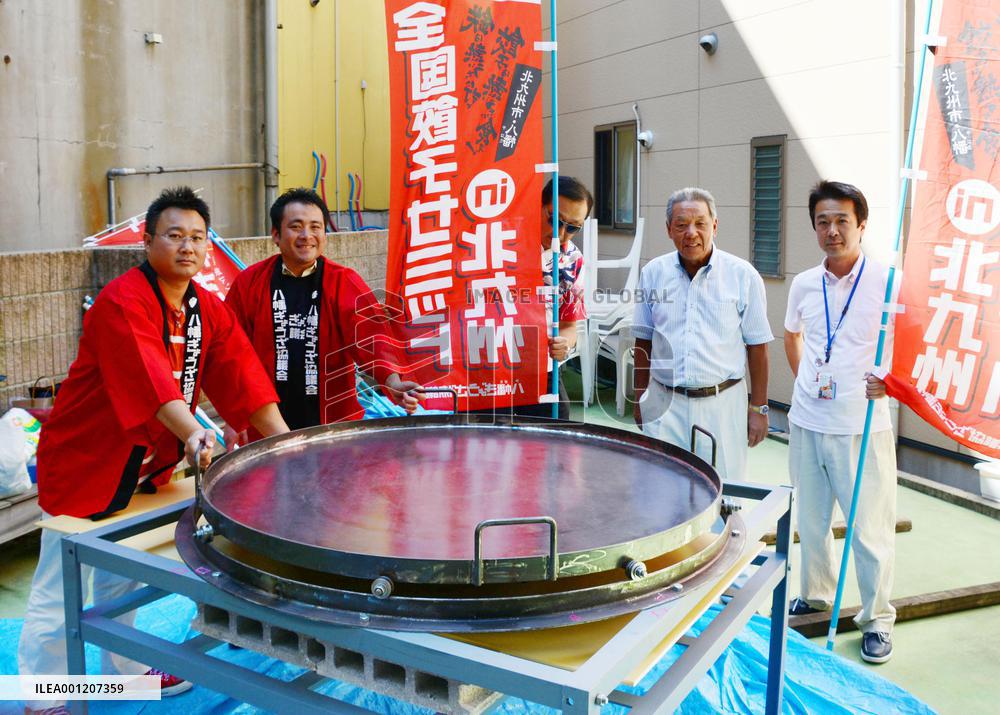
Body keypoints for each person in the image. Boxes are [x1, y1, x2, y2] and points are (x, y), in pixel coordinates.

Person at [19, 187, 289, 713]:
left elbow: (242, 376)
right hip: (88, 458)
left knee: (123, 564)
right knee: (62, 576)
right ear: (147, 242)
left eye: (197, 238)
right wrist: (193, 434)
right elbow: (152, 384)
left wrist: (285, 443)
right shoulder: (123, 300)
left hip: (146, 464)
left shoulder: (204, 307)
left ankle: (127, 672)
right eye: (174, 236)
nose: (187, 247)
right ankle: (42, 691)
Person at [783, 180, 897, 664]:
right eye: (823, 222)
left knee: (868, 529)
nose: (832, 230)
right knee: (811, 521)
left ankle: (877, 618)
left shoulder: (889, 280)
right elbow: (793, 335)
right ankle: (816, 594)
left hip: (862, 423)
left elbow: (908, 346)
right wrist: (807, 377)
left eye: (842, 221)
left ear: (861, 225)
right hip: (808, 420)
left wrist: (889, 380)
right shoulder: (805, 283)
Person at [225, 188, 420, 437]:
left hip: (334, 425)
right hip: (264, 426)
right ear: (276, 234)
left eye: (315, 227)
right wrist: (233, 415)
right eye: (296, 226)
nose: (307, 235)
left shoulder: (344, 281)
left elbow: (373, 338)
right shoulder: (249, 283)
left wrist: (393, 381)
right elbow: (230, 352)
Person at [632, 187, 773, 481]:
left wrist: (759, 408)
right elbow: (643, 338)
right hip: (664, 401)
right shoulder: (653, 273)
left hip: (722, 404)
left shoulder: (742, 275)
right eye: (681, 225)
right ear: (669, 229)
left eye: (700, 224)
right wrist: (639, 396)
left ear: (715, 226)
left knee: (725, 490)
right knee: (661, 490)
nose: (691, 233)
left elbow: (757, 346)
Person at [475, 176, 592, 420]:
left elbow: (570, 325)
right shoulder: (499, 243)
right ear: (538, 206)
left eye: (573, 227)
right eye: (555, 220)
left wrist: (565, 344)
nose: (561, 233)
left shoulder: (573, 260)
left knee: (555, 429)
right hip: (489, 365)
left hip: (540, 367)